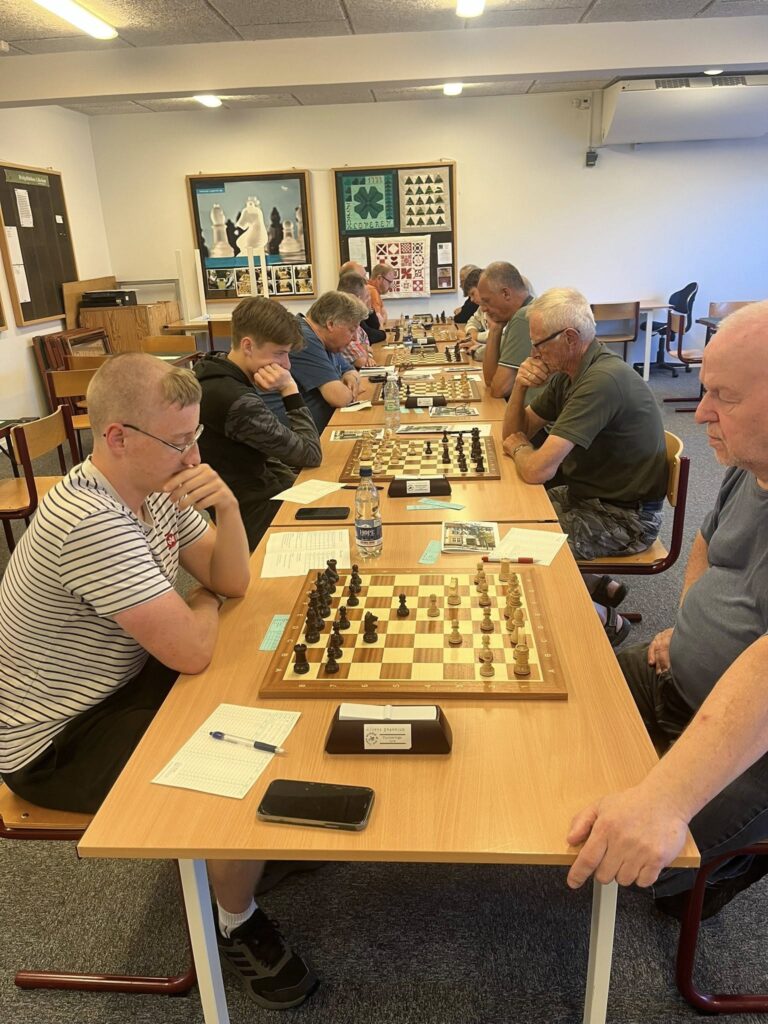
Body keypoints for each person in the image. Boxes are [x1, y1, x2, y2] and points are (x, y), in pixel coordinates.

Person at [0, 354, 318, 1009]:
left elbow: (230, 581)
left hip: (118, 686)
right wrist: (200, 600)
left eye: (195, 435)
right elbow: (194, 648)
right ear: (117, 437)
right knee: (239, 752)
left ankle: (238, 857)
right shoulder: (89, 519)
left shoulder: (158, 487)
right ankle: (235, 921)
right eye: (178, 441)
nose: (194, 455)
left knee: (257, 688)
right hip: (56, 744)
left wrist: (227, 509)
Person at [566, 300, 768, 920]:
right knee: (555, 711)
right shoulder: (751, 465)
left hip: (752, 746)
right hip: (675, 677)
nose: (701, 411)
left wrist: (667, 800)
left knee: (631, 862)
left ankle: (728, 868)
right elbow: (706, 545)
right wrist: (684, 629)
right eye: (705, 390)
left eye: (725, 396)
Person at [502, 287, 667, 645]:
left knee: (520, 545)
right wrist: (520, 387)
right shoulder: (569, 373)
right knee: (508, 517)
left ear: (570, 338)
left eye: (539, 344)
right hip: (592, 498)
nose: (534, 353)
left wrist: (520, 449)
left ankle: (608, 621)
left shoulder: (600, 382)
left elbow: (537, 469)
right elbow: (514, 432)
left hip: (625, 519)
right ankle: (599, 585)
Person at [194, 296, 322, 551]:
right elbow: (310, 454)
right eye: (280, 353)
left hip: (262, 497)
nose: (286, 365)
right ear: (248, 346)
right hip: (256, 518)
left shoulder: (216, 370)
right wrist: (289, 389)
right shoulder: (235, 399)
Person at [289, 290, 368, 432]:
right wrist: (348, 387)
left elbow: (351, 371)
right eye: (351, 330)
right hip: (300, 436)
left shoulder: (328, 343)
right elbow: (339, 398)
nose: (355, 338)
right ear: (331, 324)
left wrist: (351, 377)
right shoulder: (305, 339)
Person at [477, 262, 538, 400]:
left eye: (487, 301)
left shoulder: (524, 316)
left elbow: (499, 389)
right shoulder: (524, 311)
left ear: (506, 293)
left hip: (531, 410)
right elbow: (490, 381)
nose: (483, 309)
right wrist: (495, 329)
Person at [337, 271, 378, 367]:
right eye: (367, 297)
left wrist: (367, 352)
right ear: (357, 299)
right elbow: (361, 361)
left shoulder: (355, 322)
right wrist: (366, 350)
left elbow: (365, 339)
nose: (369, 300)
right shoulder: (342, 322)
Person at [339, 260, 386, 342]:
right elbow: (369, 335)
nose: (367, 279)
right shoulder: (344, 306)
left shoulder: (363, 294)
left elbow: (374, 326)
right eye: (364, 276)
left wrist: (369, 309)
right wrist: (382, 332)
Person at [368, 262, 396, 328]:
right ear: (379, 278)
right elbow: (379, 323)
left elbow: (384, 317)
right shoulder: (372, 291)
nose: (391, 286)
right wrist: (382, 319)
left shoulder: (375, 291)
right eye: (389, 282)